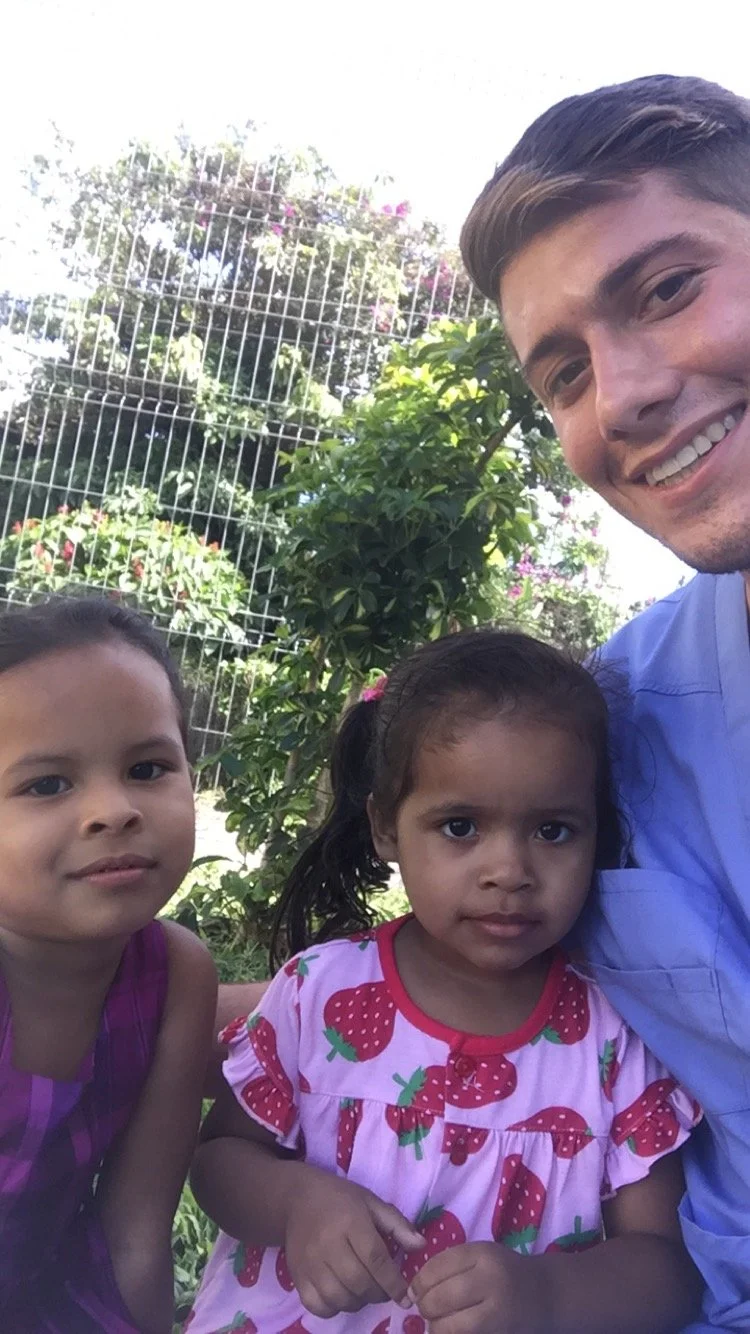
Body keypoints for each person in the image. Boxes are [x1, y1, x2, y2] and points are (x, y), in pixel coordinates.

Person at [456, 74, 750, 1333]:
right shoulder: (609, 722)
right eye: (563, 372)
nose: (619, 396)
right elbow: (473, 970)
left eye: (668, 288)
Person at [189, 628, 702, 1334]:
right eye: (460, 826)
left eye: (554, 831)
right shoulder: (317, 990)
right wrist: (295, 1202)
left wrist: (545, 1294)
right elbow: (219, 1160)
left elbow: (665, 1268)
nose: (509, 871)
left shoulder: (616, 1037)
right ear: (386, 828)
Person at [0, 596, 217, 1333]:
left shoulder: (176, 977)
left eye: (148, 767)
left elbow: (134, 1235)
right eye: (47, 784)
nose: (112, 810)